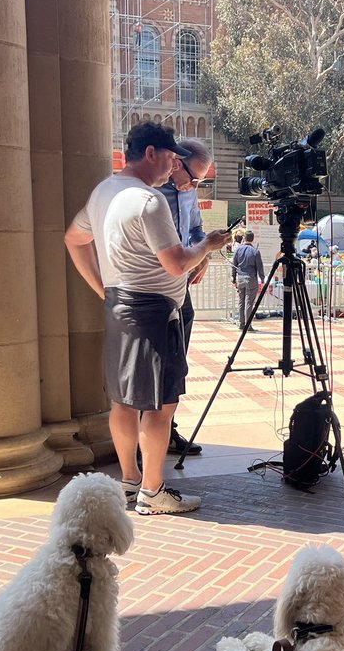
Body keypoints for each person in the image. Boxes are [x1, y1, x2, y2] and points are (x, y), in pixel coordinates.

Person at [64, 122, 228, 514]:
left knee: (123, 401)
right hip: (155, 313)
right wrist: (207, 245)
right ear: (151, 153)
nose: (173, 169)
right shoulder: (148, 200)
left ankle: (130, 481)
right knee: (160, 405)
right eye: (171, 159)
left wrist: (104, 288)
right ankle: (153, 492)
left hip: (120, 305)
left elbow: (73, 238)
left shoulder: (104, 191)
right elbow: (175, 265)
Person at [158, 137, 213, 456]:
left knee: (177, 362)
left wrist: (203, 254)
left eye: (201, 182)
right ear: (177, 163)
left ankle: (166, 428)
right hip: (153, 286)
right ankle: (148, 432)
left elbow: (196, 231)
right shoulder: (152, 193)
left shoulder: (188, 193)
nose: (195, 185)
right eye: (195, 178)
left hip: (180, 286)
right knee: (156, 362)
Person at [231, 230, 265, 327]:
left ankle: (242, 324)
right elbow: (260, 267)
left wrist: (233, 279)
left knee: (241, 301)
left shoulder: (238, 250)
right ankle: (248, 325)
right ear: (253, 239)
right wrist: (262, 280)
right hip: (251, 279)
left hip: (241, 278)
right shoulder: (255, 251)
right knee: (249, 302)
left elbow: (234, 265)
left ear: (244, 238)